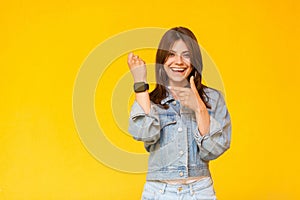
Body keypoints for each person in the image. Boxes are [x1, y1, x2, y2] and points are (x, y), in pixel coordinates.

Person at [127, 27, 231, 200]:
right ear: (162, 59)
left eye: (186, 54)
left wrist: (199, 108)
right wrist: (140, 83)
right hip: (159, 192)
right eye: (171, 54)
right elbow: (145, 134)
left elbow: (212, 151)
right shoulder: (151, 101)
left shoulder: (213, 98)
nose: (179, 61)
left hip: (200, 192)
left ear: (195, 60)